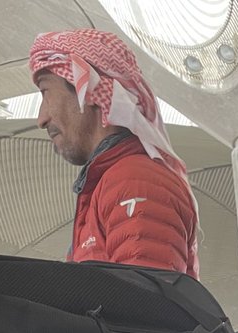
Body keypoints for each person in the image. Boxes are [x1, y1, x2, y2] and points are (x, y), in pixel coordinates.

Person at [30, 30, 199, 276]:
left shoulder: (134, 180)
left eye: (45, 93)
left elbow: (143, 306)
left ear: (86, 89)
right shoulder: (110, 182)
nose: (42, 119)